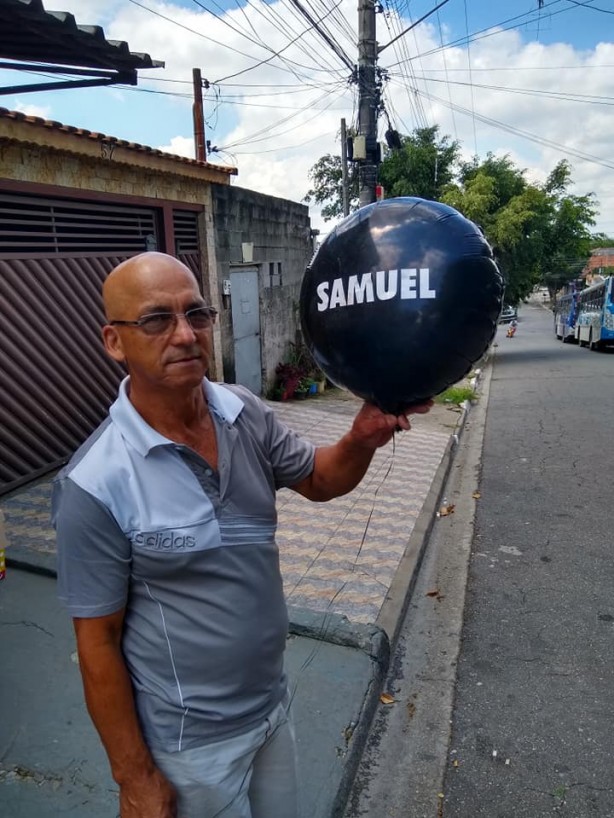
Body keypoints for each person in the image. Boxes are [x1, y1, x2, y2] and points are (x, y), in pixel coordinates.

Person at [52, 251, 432, 818]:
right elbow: (97, 643)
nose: (185, 335)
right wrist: (134, 778)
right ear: (114, 341)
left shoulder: (243, 413)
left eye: (197, 315)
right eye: (157, 320)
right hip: (189, 746)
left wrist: (361, 437)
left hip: (271, 709)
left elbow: (320, 480)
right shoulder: (95, 482)